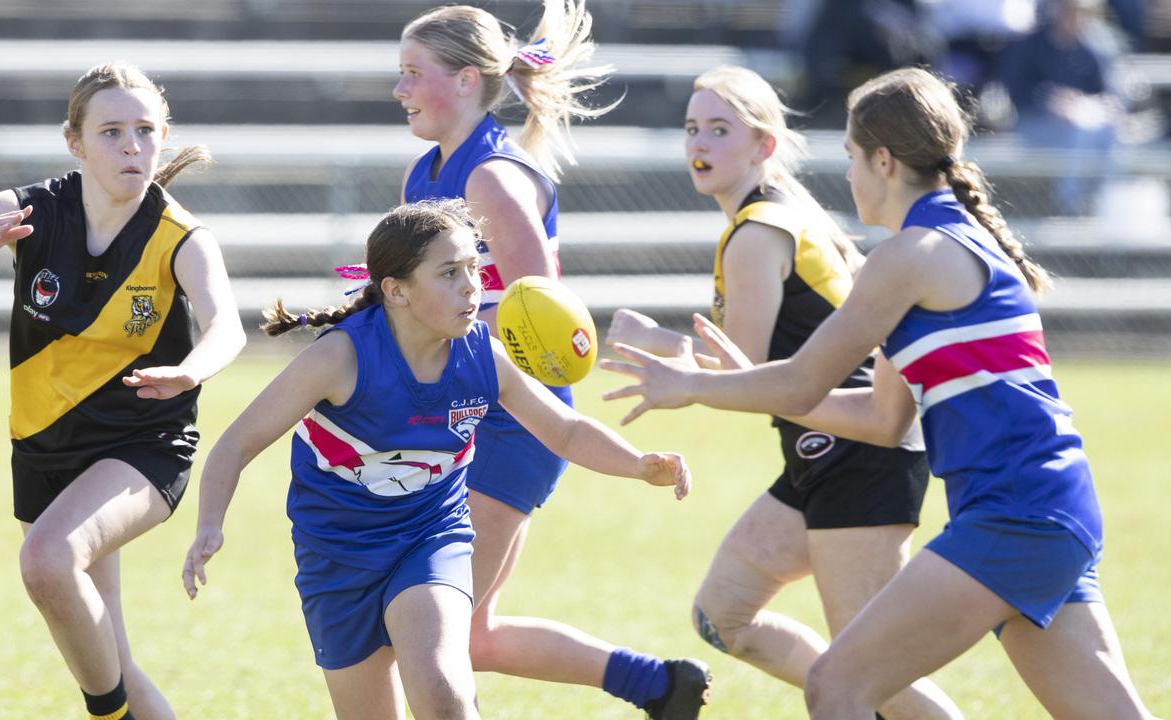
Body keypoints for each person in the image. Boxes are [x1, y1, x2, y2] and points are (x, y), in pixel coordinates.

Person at [602, 67, 1160, 719]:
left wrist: (694, 384)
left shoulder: (909, 257)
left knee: (836, 685)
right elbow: (879, 418)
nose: (846, 176)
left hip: (1016, 516)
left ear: (884, 161)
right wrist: (733, 382)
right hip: (1048, 510)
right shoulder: (934, 247)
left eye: (850, 157)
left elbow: (804, 378)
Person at [180, 199, 691, 720]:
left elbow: (563, 429)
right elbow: (235, 444)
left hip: (429, 539)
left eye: (474, 268)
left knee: (445, 695)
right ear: (396, 290)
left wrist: (638, 464)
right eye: (450, 273)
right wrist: (209, 527)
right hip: (337, 557)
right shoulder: (341, 358)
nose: (472, 286)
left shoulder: (482, 355)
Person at [605, 65, 961, 719]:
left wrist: (659, 344)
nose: (699, 144)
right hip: (820, 451)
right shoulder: (770, 218)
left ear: (764, 146)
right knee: (724, 615)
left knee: (869, 671)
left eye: (720, 129)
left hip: (857, 452)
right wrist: (664, 345)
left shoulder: (756, 232)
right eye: (692, 129)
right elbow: (753, 365)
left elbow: (741, 375)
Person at [0, 63, 245, 720]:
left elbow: (228, 327)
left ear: (164, 137)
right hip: (45, 447)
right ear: (74, 141)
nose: (131, 146)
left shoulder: (181, 238)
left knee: (47, 560)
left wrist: (192, 370)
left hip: (142, 444)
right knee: (109, 653)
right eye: (111, 132)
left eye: (144, 131)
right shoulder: (30, 211)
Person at [392, 2, 712, 717]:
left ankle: (657, 685)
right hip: (460, 415)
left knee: (430, 633)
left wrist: (431, 319)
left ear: (468, 80)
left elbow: (543, 315)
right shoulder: (427, 170)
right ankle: (659, 686)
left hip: (512, 425)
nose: (400, 89)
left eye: (415, 73)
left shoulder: (491, 178)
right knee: (464, 635)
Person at [997, 0, 1124, 215]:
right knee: (1080, 131)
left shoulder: (1092, 48)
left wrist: (1085, 104)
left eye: (1083, 14)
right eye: (1071, 13)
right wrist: (1051, 100)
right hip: (1033, 125)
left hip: (1084, 126)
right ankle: (1069, 206)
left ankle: (1104, 201)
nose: (1076, 19)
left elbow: (1109, 98)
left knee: (1107, 130)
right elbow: (1017, 93)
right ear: (1058, 12)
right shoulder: (1029, 44)